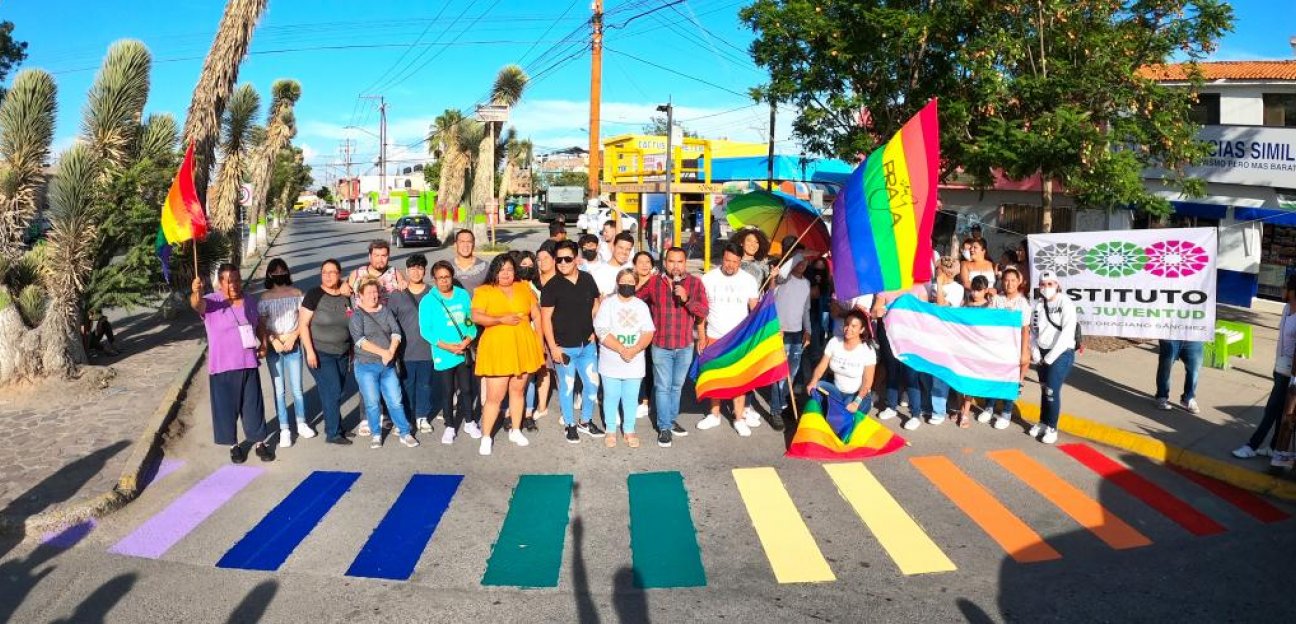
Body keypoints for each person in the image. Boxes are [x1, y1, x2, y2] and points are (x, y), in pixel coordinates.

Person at [190, 264, 274, 463]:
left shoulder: (250, 301)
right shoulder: (212, 302)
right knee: (226, 409)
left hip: (248, 363)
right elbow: (196, 304)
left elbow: (259, 324)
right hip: (223, 367)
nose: (234, 285)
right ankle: (234, 445)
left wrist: (263, 345)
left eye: (236, 280)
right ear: (220, 283)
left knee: (253, 407)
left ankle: (260, 443)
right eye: (229, 281)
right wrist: (196, 291)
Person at [471, 254, 545, 455]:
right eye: (501, 269)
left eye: (510, 269)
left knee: (518, 391)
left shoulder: (524, 288)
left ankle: (515, 429)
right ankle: (486, 436)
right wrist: (500, 319)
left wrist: (539, 343)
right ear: (494, 271)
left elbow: (537, 316)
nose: (506, 273)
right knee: (495, 396)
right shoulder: (484, 290)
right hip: (497, 349)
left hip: (523, 346)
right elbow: (476, 316)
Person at [637, 246, 709, 447]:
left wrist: (687, 299)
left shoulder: (695, 283)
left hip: (685, 346)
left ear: (685, 263)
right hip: (661, 345)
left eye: (679, 261)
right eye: (671, 261)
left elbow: (703, 310)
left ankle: (669, 419)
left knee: (677, 387)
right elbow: (635, 300)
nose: (675, 266)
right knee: (662, 387)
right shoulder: (654, 283)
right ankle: (664, 428)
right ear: (665, 263)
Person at [541, 240, 606, 443]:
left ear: (576, 259)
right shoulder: (552, 286)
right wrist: (553, 348)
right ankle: (569, 424)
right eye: (558, 259)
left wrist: (595, 329)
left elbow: (597, 302)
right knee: (567, 388)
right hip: (564, 348)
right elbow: (545, 319)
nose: (562, 263)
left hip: (587, 346)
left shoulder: (587, 278)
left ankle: (585, 421)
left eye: (567, 259)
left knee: (592, 385)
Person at [699, 243, 761, 436]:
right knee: (715, 377)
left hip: (739, 338)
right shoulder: (707, 278)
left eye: (735, 262)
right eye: (727, 260)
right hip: (714, 335)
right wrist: (701, 335)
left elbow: (755, 310)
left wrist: (763, 331)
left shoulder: (749, 280)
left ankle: (739, 417)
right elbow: (701, 310)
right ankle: (714, 414)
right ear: (722, 259)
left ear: (740, 261)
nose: (730, 265)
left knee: (739, 379)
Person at [351, 279, 419, 449]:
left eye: (375, 292)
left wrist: (391, 350)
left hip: (387, 366)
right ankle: (376, 434)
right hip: (366, 366)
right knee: (372, 402)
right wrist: (383, 353)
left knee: (395, 400)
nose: (373, 296)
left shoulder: (386, 311)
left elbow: (396, 332)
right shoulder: (356, 316)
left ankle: (405, 433)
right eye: (368, 293)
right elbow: (360, 341)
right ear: (360, 295)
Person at [1233, 275, 1296, 459]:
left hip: (1290, 373)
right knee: (1278, 411)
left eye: (1285, 287)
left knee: (1271, 410)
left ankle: (1252, 446)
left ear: (1293, 291)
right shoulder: (1286, 308)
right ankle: (1273, 446)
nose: (1282, 290)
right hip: (1279, 368)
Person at [594, 269, 656, 448]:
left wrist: (635, 348)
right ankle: (611, 430)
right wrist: (621, 349)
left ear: (636, 284)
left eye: (631, 281)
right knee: (611, 396)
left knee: (630, 397)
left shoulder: (641, 306)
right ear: (617, 282)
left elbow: (648, 331)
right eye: (623, 280)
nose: (627, 284)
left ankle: (629, 430)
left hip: (634, 361)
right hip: (611, 360)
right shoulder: (608, 304)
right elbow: (602, 330)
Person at [421, 260, 480, 445]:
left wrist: (468, 339)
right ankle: (450, 425)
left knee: (468, 389)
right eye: (440, 278)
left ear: (452, 277)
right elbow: (426, 330)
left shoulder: (462, 295)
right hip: (444, 353)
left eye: (447, 277)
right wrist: (447, 346)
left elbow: (469, 320)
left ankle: (470, 422)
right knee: (447, 392)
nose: (444, 281)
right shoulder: (428, 301)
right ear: (434, 279)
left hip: (462, 351)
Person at [903, 257, 963, 431]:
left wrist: (940, 285)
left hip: (945, 336)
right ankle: (927, 405)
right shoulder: (930, 285)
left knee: (939, 376)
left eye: (937, 269)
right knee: (925, 372)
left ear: (945, 271)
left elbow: (942, 308)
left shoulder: (957, 289)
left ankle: (939, 410)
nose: (934, 271)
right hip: (928, 334)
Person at [299, 258, 353, 445]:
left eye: (332, 272)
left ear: (340, 274)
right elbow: (303, 324)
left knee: (332, 391)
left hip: (343, 352)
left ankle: (336, 426)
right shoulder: (314, 294)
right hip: (320, 353)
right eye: (325, 272)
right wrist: (310, 352)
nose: (328, 276)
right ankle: (333, 433)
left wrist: (352, 348)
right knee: (333, 390)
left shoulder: (347, 294)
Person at [258, 258, 310, 448]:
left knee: (297, 388)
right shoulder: (264, 298)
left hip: (293, 346)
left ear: (287, 272)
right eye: (275, 271)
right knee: (279, 391)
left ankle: (301, 422)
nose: (279, 274)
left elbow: (304, 321)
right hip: (274, 348)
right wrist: (272, 341)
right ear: (270, 274)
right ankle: (284, 428)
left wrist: (293, 337)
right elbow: (262, 324)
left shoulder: (297, 294)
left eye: (283, 270)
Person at [387, 254, 437, 434]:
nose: (416, 272)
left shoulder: (433, 292)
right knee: (406, 386)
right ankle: (405, 418)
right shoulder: (397, 294)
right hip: (405, 350)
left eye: (420, 268)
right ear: (406, 271)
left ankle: (422, 416)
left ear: (425, 271)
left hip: (428, 349)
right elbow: (390, 322)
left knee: (425, 384)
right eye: (413, 268)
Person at [1030, 270, 1078, 445]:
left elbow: (1067, 333)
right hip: (1042, 351)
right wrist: (1035, 351)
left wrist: (1050, 357)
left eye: (1050, 284)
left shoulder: (1066, 303)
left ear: (1057, 285)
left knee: (1051, 390)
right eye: (1043, 284)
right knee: (1044, 388)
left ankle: (1052, 426)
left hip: (1061, 353)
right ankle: (1043, 421)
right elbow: (1033, 331)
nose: (1046, 287)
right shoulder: (1037, 305)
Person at [768, 250, 811, 431]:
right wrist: (773, 277)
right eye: (798, 261)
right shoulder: (783, 280)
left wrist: (808, 330)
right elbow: (771, 292)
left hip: (797, 333)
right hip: (781, 333)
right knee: (779, 374)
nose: (802, 264)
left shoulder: (807, 283)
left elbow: (806, 310)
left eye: (805, 261)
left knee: (791, 373)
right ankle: (775, 410)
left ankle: (784, 403)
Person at [985, 266, 1032, 430]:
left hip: (1014, 347)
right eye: (1006, 280)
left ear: (1019, 282)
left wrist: (1024, 351)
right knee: (993, 376)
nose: (1009, 284)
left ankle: (1006, 413)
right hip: (997, 347)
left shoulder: (1023, 303)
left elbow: (1025, 329)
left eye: (1013, 280)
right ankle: (989, 407)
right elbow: (987, 320)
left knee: (1010, 380)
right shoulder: (997, 300)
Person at [805, 311, 877, 416]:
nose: (848, 328)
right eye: (847, 324)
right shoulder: (834, 342)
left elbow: (867, 381)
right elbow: (822, 366)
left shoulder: (868, 350)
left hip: (857, 395)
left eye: (854, 326)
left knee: (841, 415)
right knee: (816, 387)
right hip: (836, 391)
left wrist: (856, 403)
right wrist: (813, 381)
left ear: (862, 329)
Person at [954, 275, 992, 429]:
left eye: (979, 290)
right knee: (958, 380)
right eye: (974, 290)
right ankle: (960, 409)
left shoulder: (989, 307)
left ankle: (965, 412)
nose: (975, 293)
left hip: (977, 349)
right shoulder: (965, 304)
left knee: (969, 382)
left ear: (985, 290)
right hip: (963, 347)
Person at [515, 250, 543, 431]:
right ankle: (509, 412)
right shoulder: (511, 285)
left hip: (532, 336)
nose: (526, 268)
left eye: (529, 265)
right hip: (515, 337)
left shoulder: (537, 287)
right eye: (522, 265)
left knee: (530, 378)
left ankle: (528, 413)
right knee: (514, 376)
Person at [632, 251, 656, 421]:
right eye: (641, 262)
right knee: (636, 367)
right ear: (634, 265)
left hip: (652, 333)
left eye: (648, 261)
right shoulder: (629, 283)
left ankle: (646, 401)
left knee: (649, 368)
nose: (645, 265)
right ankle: (639, 399)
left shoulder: (656, 283)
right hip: (633, 333)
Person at [349, 239, 407, 306]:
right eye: (376, 256)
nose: (380, 260)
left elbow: (404, 288)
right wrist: (343, 285)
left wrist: (404, 283)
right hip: (363, 315)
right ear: (370, 256)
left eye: (383, 256)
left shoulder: (395, 273)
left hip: (389, 315)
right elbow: (344, 290)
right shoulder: (357, 274)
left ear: (388, 256)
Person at [1154, 338, 1205, 413]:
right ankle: (1162, 396)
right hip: (1170, 335)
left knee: (1194, 368)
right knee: (1166, 366)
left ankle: (1188, 398)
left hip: (1194, 337)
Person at [592, 231, 635, 296]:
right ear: (613, 247)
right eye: (621, 247)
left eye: (628, 249)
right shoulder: (598, 272)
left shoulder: (633, 269)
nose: (624, 252)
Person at [451, 229, 490, 293]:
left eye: (469, 242)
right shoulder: (447, 266)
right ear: (455, 245)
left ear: (473, 244)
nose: (465, 245)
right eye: (462, 242)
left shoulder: (486, 267)